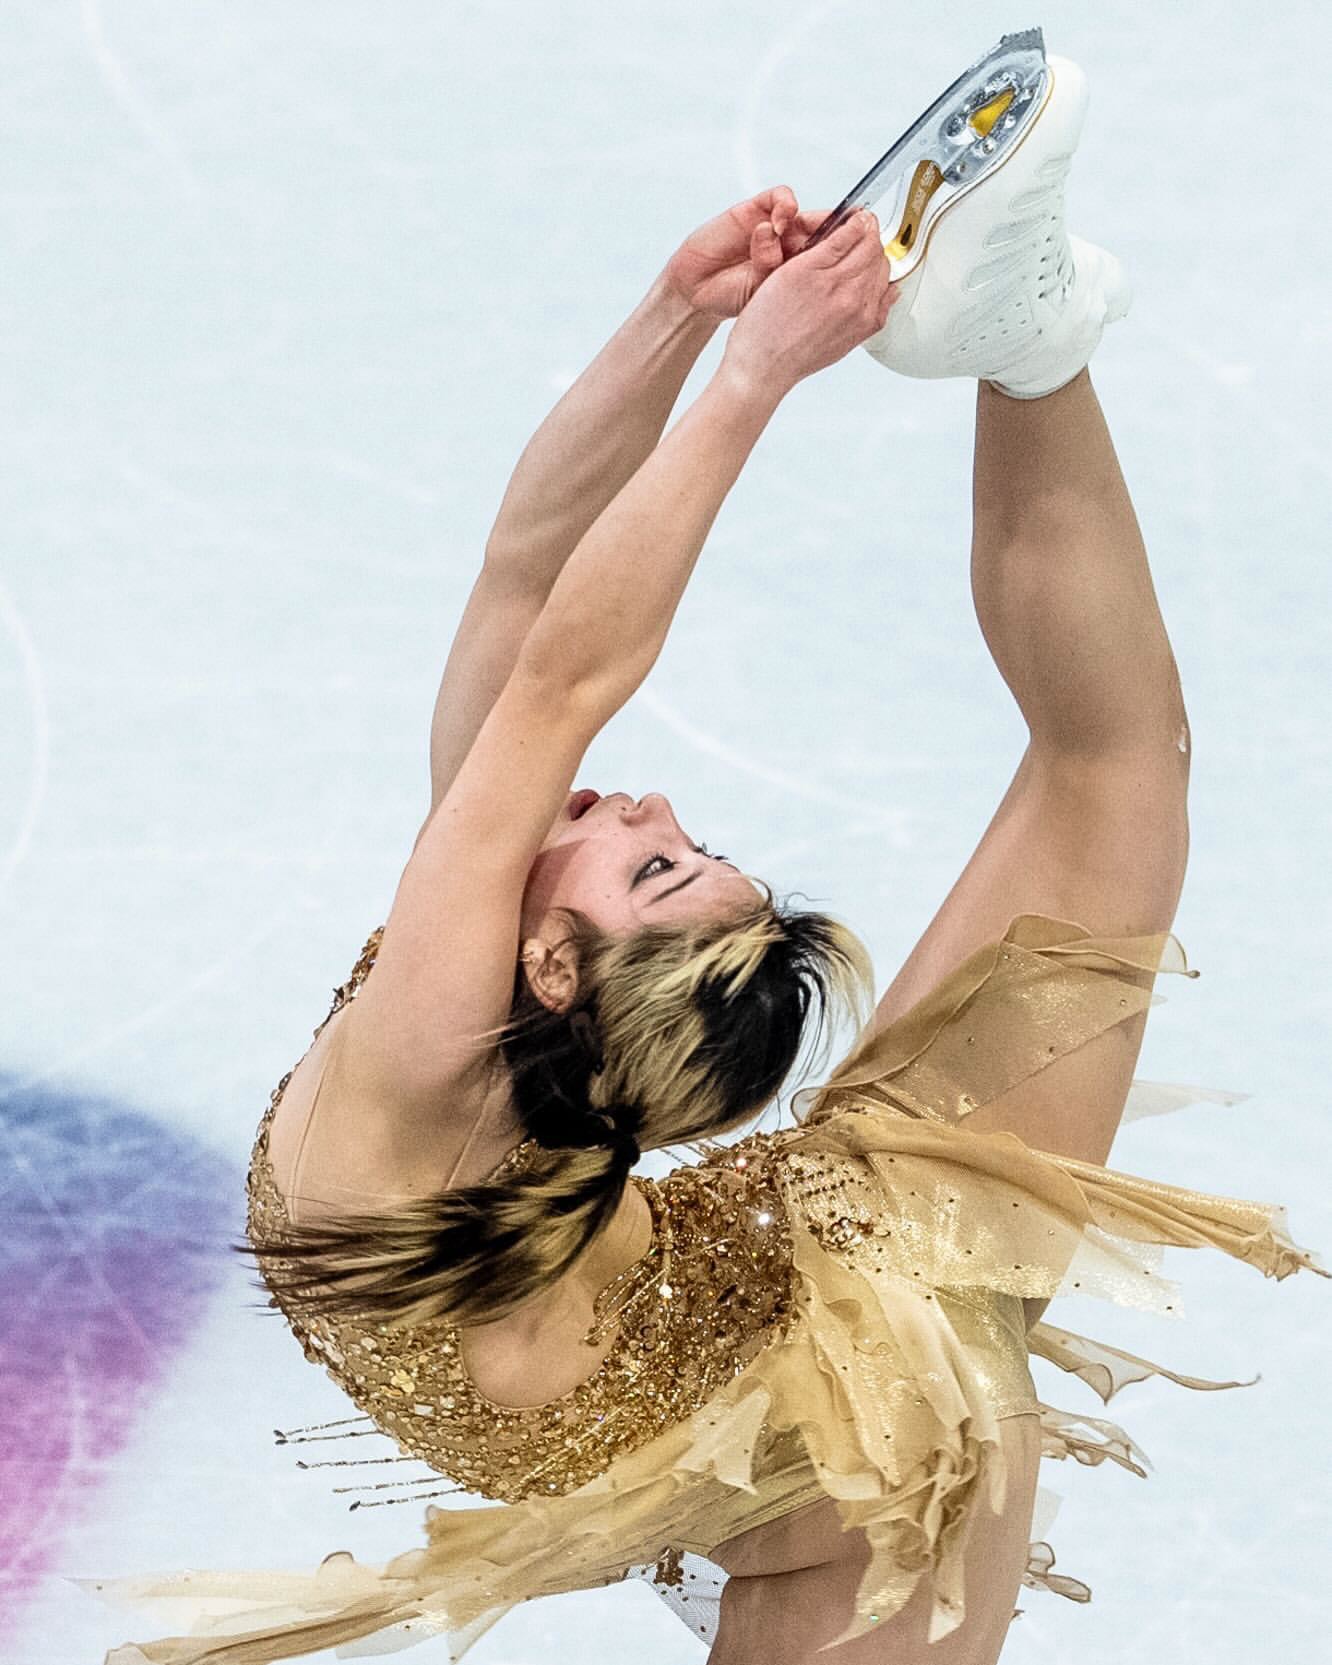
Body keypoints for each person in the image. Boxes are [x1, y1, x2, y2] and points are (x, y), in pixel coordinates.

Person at [76, 53, 1325, 1665]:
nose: (643, 805)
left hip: (873, 1447)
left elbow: (551, 638)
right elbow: (538, 596)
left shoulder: (446, 1007)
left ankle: (1029, 338)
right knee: (1114, 763)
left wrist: (734, 355)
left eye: (651, 862)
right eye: (677, 848)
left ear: (556, 966)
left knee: (1109, 770)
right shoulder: (478, 990)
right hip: (773, 1368)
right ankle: (1035, 351)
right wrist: (697, 333)